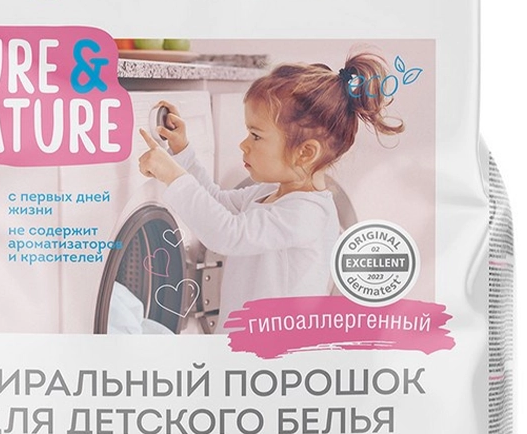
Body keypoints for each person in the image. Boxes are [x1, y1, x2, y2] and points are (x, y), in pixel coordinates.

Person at [138, 54, 404, 331]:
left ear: (305, 153)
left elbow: (227, 234)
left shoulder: (307, 214)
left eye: (255, 135)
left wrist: (173, 176)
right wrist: (182, 154)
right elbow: (217, 202)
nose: (244, 145)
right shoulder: (272, 193)